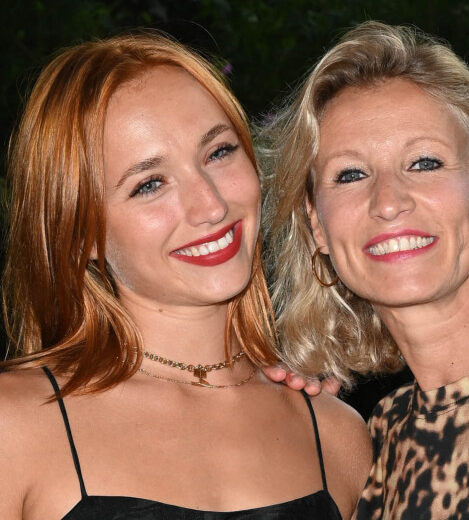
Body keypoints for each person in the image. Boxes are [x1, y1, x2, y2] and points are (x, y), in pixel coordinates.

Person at [0, 31, 371, 520]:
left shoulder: (337, 434)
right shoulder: (16, 425)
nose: (212, 205)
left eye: (218, 152)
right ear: (78, 236)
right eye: (149, 184)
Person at [263, 21, 469, 519]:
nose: (388, 202)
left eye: (425, 163)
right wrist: (276, 415)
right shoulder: (385, 440)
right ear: (316, 226)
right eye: (350, 174)